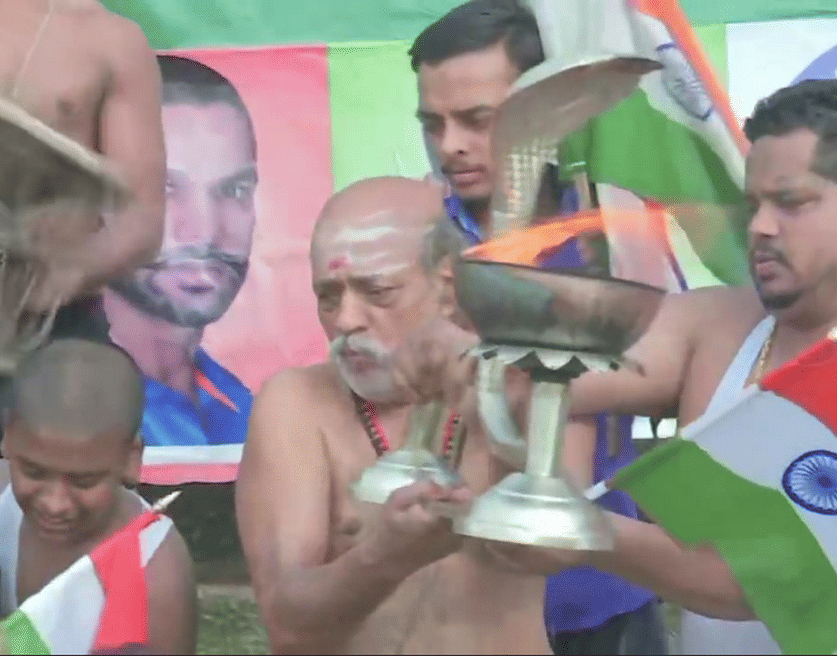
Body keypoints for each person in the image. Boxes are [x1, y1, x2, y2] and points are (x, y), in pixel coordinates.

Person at [393, 79, 837, 654]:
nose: (760, 227)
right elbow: (559, 369)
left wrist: (583, 530)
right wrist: (468, 344)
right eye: (755, 203)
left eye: (791, 204)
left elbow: (787, 579)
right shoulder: (713, 327)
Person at [408, 2, 691, 652]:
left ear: (553, 101)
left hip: (606, 598)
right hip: (464, 607)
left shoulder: (616, 238)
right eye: (434, 123)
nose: (450, 144)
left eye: (477, 119)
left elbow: (653, 380)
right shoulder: (415, 238)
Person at [235, 176, 598, 654]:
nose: (346, 321)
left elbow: (553, 548)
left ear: (448, 288)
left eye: (377, 292)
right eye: (328, 296)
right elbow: (286, 624)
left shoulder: (529, 379)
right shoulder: (296, 404)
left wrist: (494, 410)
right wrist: (383, 556)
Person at [0, 0, 166, 480]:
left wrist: (67, 274)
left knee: (52, 513)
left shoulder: (110, 42)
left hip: (45, 327)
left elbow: (143, 220)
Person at [0, 338, 198, 654]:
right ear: (8, 436)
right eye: (33, 472)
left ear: (131, 459)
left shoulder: (156, 577)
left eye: (84, 481)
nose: (54, 503)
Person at [103, 55, 258, 448]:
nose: (205, 232)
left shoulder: (245, 412)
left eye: (234, 190)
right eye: (164, 189)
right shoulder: (53, 405)